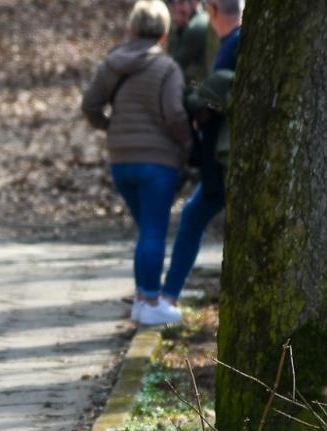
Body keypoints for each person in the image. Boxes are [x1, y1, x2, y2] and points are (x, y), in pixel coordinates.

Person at [81, 0, 192, 327]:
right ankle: (151, 301)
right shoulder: (167, 68)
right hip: (157, 161)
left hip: (121, 160)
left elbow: (90, 105)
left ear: (130, 28)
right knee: (154, 230)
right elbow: (174, 113)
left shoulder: (111, 64)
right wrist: (186, 143)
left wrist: (110, 127)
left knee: (146, 229)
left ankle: (143, 300)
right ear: (164, 33)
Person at [161, 0, 243, 310]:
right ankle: (168, 295)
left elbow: (217, 93)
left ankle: (168, 296)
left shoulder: (235, 43)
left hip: (225, 157)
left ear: (212, 12)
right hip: (221, 156)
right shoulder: (234, 42)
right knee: (193, 217)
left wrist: (198, 101)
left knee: (193, 217)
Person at [167, 0, 212, 92]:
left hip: (201, 89)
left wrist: (178, 29)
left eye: (181, 2)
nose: (176, 7)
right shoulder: (202, 19)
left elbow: (175, 64)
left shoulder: (195, 27)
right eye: (173, 3)